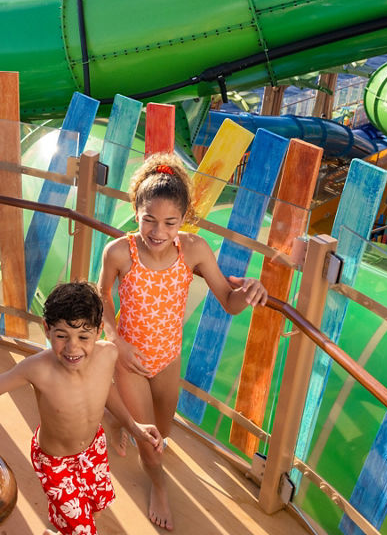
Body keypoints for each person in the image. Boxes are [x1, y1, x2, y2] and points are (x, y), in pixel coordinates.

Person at [98, 153, 268, 530]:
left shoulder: (194, 250)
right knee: (151, 442)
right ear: (136, 211)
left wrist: (251, 290)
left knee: (165, 431)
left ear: (184, 218)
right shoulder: (118, 252)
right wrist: (116, 342)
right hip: (130, 360)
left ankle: (116, 418)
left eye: (170, 223)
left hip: (169, 359)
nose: (158, 231)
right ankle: (159, 486)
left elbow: (228, 300)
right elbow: (102, 297)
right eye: (149, 220)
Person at [0, 281, 161, 535]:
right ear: (47, 330)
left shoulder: (108, 354)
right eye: (61, 336)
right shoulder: (37, 368)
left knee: (96, 507)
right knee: (83, 530)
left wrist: (133, 426)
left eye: (83, 336)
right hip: (56, 462)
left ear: (99, 331)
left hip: (93, 450)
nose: (72, 348)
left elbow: (107, 391)